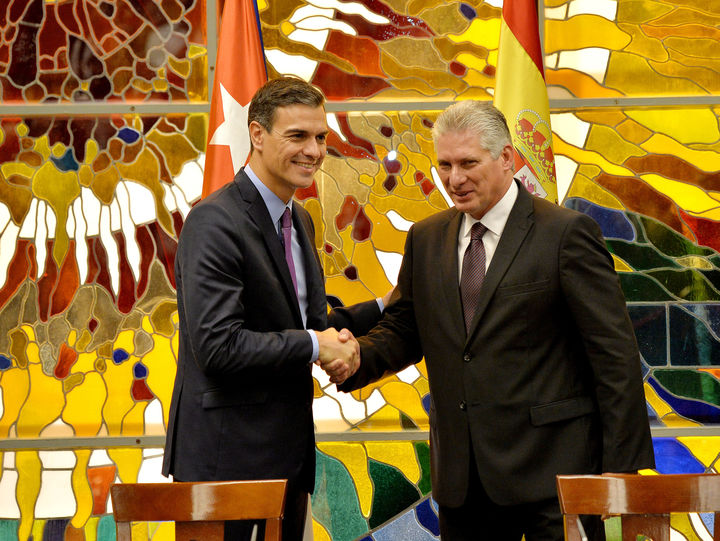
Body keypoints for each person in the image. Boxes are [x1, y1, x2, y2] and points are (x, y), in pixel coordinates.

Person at [334, 101, 655, 540]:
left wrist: (619, 473)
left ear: (506, 158)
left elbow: (613, 354)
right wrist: (354, 358)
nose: (454, 179)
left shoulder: (566, 233)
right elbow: (406, 329)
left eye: (468, 163)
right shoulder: (425, 239)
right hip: (464, 485)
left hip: (556, 481)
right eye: (444, 165)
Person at [162, 77, 385, 541]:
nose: (315, 150)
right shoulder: (214, 221)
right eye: (298, 136)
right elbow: (218, 346)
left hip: (287, 463)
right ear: (258, 136)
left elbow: (310, 325)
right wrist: (313, 344)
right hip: (227, 468)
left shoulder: (297, 217)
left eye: (321, 137)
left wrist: (390, 303)